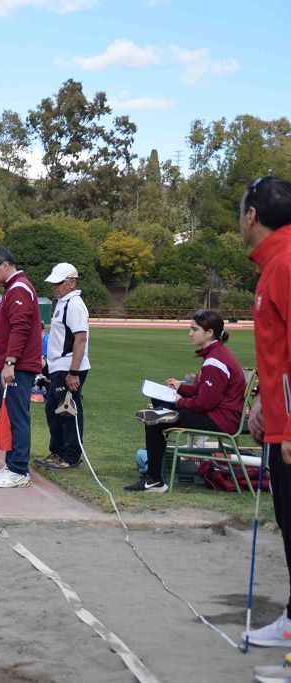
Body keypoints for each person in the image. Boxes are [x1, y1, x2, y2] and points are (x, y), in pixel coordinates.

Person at [235, 177, 291, 652]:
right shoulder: (274, 264)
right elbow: (280, 356)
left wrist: (288, 424)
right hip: (277, 423)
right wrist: (263, 403)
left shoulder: (286, 264)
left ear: (252, 215)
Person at [123, 310, 245, 493]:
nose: (190, 333)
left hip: (221, 419)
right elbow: (203, 392)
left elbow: (204, 403)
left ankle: (155, 480)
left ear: (209, 332)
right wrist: (180, 388)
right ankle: (155, 473)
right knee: (159, 408)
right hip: (219, 415)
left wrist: (179, 401)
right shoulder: (216, 354)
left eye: (194, 329)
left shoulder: (215, 361)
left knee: (155, 421)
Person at [0, 246, 42, 489]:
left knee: (17, 416)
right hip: (10, 364)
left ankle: (19, 469)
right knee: (9, 415)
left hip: (17, 366)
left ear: (5, 264)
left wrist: (10, 362)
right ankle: (12, 464)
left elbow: (21, 327)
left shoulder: (19, 288)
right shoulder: (12, 289)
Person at [33, 263, 90, 471]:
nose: (54, 287)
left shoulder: (74, 304)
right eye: (53, 283)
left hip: (69, 367)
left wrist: (73, 372)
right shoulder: (62, 303)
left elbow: (80, 339)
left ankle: (71, 456)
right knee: (54, 410)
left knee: (68, 412)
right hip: (60, 367)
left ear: (72, 282)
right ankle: (58, 452)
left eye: (59, 282)